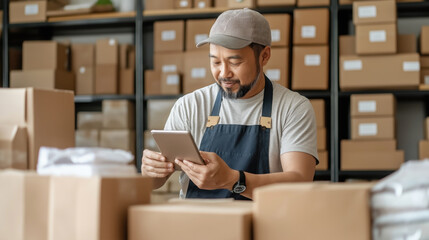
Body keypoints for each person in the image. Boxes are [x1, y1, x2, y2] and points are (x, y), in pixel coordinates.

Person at [141, 8, 318, 200]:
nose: (224, 73)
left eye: (234, 62)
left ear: (264, 56)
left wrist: (233, 180)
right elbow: (156, 181)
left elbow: (299, 180)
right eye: (216, 62)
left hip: (264, 224)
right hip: (197, 223)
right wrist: (151, 172)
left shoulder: (293, 108)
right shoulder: (190, 105)